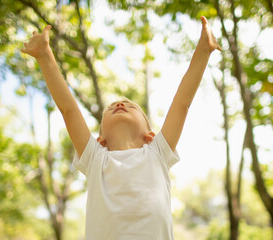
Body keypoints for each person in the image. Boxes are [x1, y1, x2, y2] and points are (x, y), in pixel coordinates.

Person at [22, 16, 221, 240]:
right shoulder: (95, 158)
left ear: (150, 135)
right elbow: (68, 109)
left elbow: (182, 103)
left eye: (130, 106)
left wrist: (203, 50)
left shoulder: (157, 153)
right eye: (111, 107)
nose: (120, 104)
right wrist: (44, 55)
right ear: (100, 139)